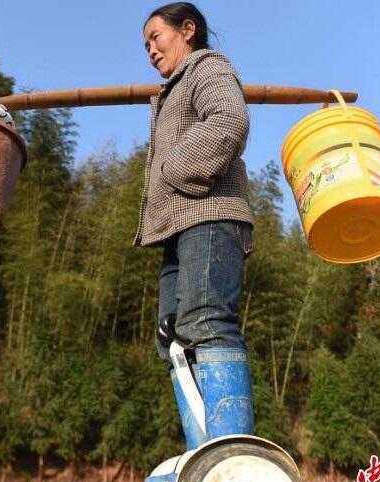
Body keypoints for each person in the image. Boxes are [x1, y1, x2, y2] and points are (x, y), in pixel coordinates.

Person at [138, 3, 255, 445]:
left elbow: (229, 120)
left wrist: (173, 169)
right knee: (172, 340)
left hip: (211, 215)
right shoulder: (172, 89)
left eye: (156, 36)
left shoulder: (207, 66)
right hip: (179, 228)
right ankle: (203, 452)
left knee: (206, 321)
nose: (150, 49)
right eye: (145, 44)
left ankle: (229, 453)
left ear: (187, 30)